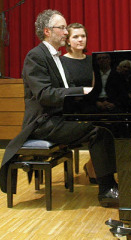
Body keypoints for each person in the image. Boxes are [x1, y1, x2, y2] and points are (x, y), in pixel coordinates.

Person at [0, 9, 118, 206]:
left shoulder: (56, 57)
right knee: (99, 128)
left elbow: (67, 90)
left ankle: (111, 182)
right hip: (43, 123)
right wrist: (83, 90)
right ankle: (106, 189)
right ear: (47, 31)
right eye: (62, 28)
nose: (65, 32)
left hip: (59, 118)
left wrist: (94, 100)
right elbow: (45, 95)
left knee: (106, 120)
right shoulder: (35, 56)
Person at [61, 22, 96, 183]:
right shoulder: (61, 63)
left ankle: (93, 165)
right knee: (101, 127)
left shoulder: (92, 61)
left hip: (90, 106)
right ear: (68, 41)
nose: (80, 40)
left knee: (115, 123)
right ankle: (96, 168)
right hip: (71, 109)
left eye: (83, 36)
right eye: (75, 37)